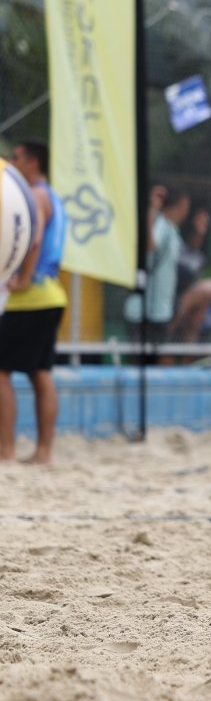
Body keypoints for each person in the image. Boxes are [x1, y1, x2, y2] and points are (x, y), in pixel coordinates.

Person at [0, 139, 67, 464]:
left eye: (16, 157)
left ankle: (6, 450)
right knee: (41, 373)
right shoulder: (52, 195)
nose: (11, 164)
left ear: (33, 162)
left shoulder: (34, 196)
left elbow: (34, 239)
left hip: (31, 296)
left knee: (0, 371)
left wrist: (22, 279)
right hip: (52, 293)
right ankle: (44, 451)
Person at [123, 184, 191, 355]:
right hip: (145, 311)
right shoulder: (161, 224)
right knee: (146, 361)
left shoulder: (172, 230)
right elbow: (151, 247)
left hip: (160, 311)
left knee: (157, 361)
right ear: (181, 204)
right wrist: (153, 208)